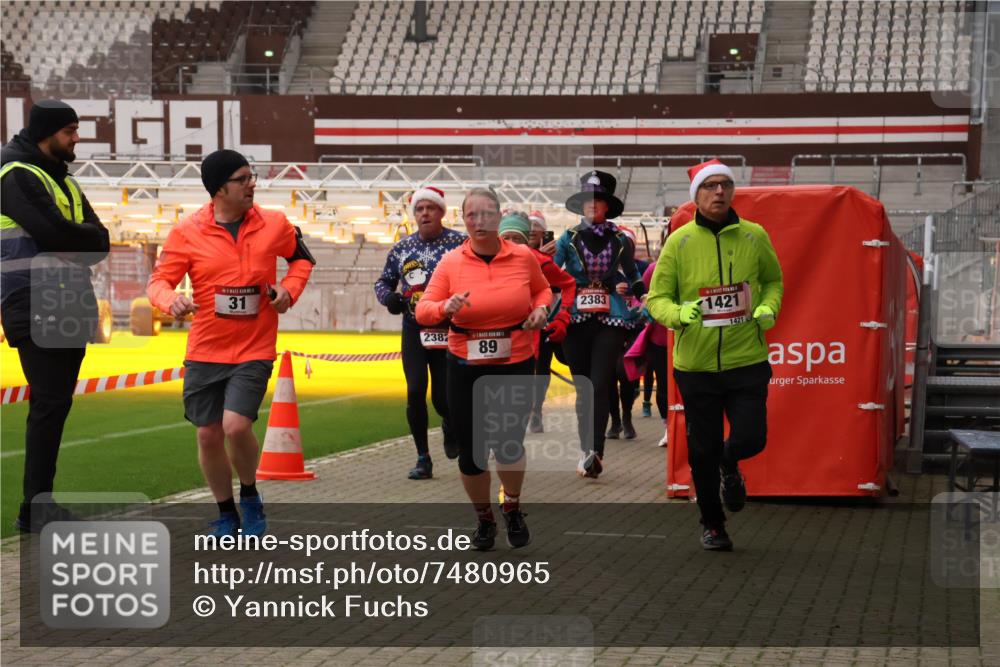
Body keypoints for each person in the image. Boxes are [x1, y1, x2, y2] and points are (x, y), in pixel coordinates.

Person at [147, 149, 315, 538]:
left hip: (255, 346)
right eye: (242, 179)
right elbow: (158, 282)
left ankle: (251, 496)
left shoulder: (274, 224)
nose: (252, 183)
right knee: (207, 434)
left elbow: (301, 261)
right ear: (219, 188)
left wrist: (288, 292)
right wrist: (171, 301)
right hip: (206, 348)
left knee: (236, 426)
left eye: (251, 176)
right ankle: (225, 514)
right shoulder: (186, 232)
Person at [646, 159, 783, 551]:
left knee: (752, 438)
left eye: (725, 185)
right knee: (701, 450)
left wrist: (768, 309)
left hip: (747, 360)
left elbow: (773, 280)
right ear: (696, 196)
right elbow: (657, 299)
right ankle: (713, 524)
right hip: (697, 366)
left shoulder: (755, 236)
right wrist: (677, 315)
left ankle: (731, 461)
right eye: (710, 186)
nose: (719, 192)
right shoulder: (680, 241)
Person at [416, 188, 551, 551]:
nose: (479, 221)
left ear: (498, 216)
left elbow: (543, 292)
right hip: (464, 365)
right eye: (471, 215)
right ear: (463, 220)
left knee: (509, 444)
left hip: (515, 361)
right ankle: (484, 518)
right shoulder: (450, 263)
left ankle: (513, 506)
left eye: (486, 214)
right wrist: (445, 307)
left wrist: (541, 312)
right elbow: (423, 310)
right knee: (472, 452)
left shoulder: (522, 257)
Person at [1, 100, 111, 532]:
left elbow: (100, 242)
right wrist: (75, 240)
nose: (77, 138)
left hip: (66, 301)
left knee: (55, 405)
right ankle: (35, 509)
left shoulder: (60, 179)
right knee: (48, 404)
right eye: (70, 131)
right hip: (32, 298)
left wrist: (73, 240)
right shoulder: (14, 175)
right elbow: (50, 233)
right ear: (47, 134)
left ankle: (38, 507)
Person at [554, 171, 645, 479]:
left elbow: (633, 275)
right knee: (584, 388)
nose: (592, 205)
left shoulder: (620, 239)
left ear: (607, 205)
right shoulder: (568, 238)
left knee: (599, 384)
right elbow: (553, 273)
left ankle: (596, 452)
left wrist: (637, 291)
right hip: (575, 317)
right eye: (587, 201)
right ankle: (584, 450)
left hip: (612, 316)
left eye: (598, 200)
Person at [374, 186, 465, 480]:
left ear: (441, 212)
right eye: (419, 209)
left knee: (442, 397)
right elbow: (383, 282)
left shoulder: (459, 244)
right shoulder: (401, 248)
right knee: (415, 391)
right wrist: (389, 298)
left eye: (430, 208)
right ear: (414, 215)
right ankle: (423, 457)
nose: (424, 213)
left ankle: (450, 423)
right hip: (414, 327)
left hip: (446, 327)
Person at [497, 211, 575, 434]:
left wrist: (562, 317)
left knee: (536, 374)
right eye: (506, 238)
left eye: (518, 239)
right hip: (494, 334)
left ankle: (534, 412)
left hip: (534, 333)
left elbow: (568, 284)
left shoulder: (539, 260)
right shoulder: (485, 258)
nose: (511, 244)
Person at [607, 227, 647, 441]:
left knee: (627, 375)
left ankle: (627, 417)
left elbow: (650, 293)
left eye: (627, 246)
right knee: (610, 377)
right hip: (610, 329)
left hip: (634, 330)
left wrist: (638, 297)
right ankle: (615, 421)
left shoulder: (642, 268)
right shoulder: (604, 270)